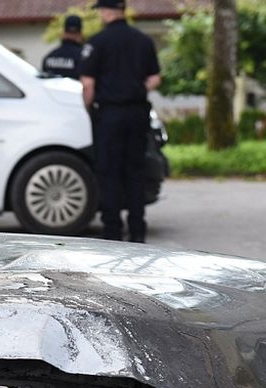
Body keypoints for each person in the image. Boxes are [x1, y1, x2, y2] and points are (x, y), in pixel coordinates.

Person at [78, 0, 160, 243]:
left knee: (108, 171)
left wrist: (89, 108)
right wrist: (135, 88)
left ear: (105, 12)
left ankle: (112, 230)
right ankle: (137, 230)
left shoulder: (96, 43)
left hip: (109, 115)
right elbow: (155, 78)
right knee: (135, 170)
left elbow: (87, 84)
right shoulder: (143, 41)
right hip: (137, 114)